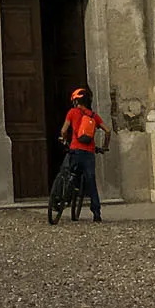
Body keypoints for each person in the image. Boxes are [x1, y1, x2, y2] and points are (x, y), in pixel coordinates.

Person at [54, 84, 109, 222]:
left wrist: (64, 140)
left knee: (66, 171)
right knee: (91, 182)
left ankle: (59, 198)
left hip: (75, 150)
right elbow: (107, 130)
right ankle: (96, 213)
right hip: (89, 153)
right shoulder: (94, 116)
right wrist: (104, 146)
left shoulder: (72, 113)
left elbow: (63, 130)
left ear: (76, 101)